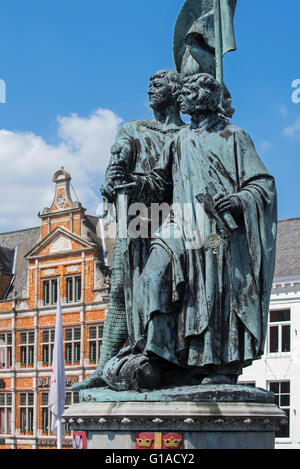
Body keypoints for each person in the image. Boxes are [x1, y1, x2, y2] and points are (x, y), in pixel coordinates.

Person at [106, 73, 277, 388]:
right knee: (151, 276)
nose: (180, 98)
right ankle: (159, 352)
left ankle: (215, 363)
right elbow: (160, 183)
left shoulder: (235, 137)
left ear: (205, 96)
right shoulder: (179, 139)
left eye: (186, 92)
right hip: (181, 224)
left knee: (213, 290)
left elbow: (263, 185)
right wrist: (134, 183)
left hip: (216, 231)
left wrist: (239, 200)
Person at [71, 70, 184, 391]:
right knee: (121, 289)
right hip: (137, 217)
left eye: (158, 85)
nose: (150, 90)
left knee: (174, 291)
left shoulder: (188, 135)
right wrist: (112, 181)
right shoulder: (132, 130)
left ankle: (169, 358)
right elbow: (115, 169)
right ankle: (103, 365)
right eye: (148, 85)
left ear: (176, 93)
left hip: (179, 220)